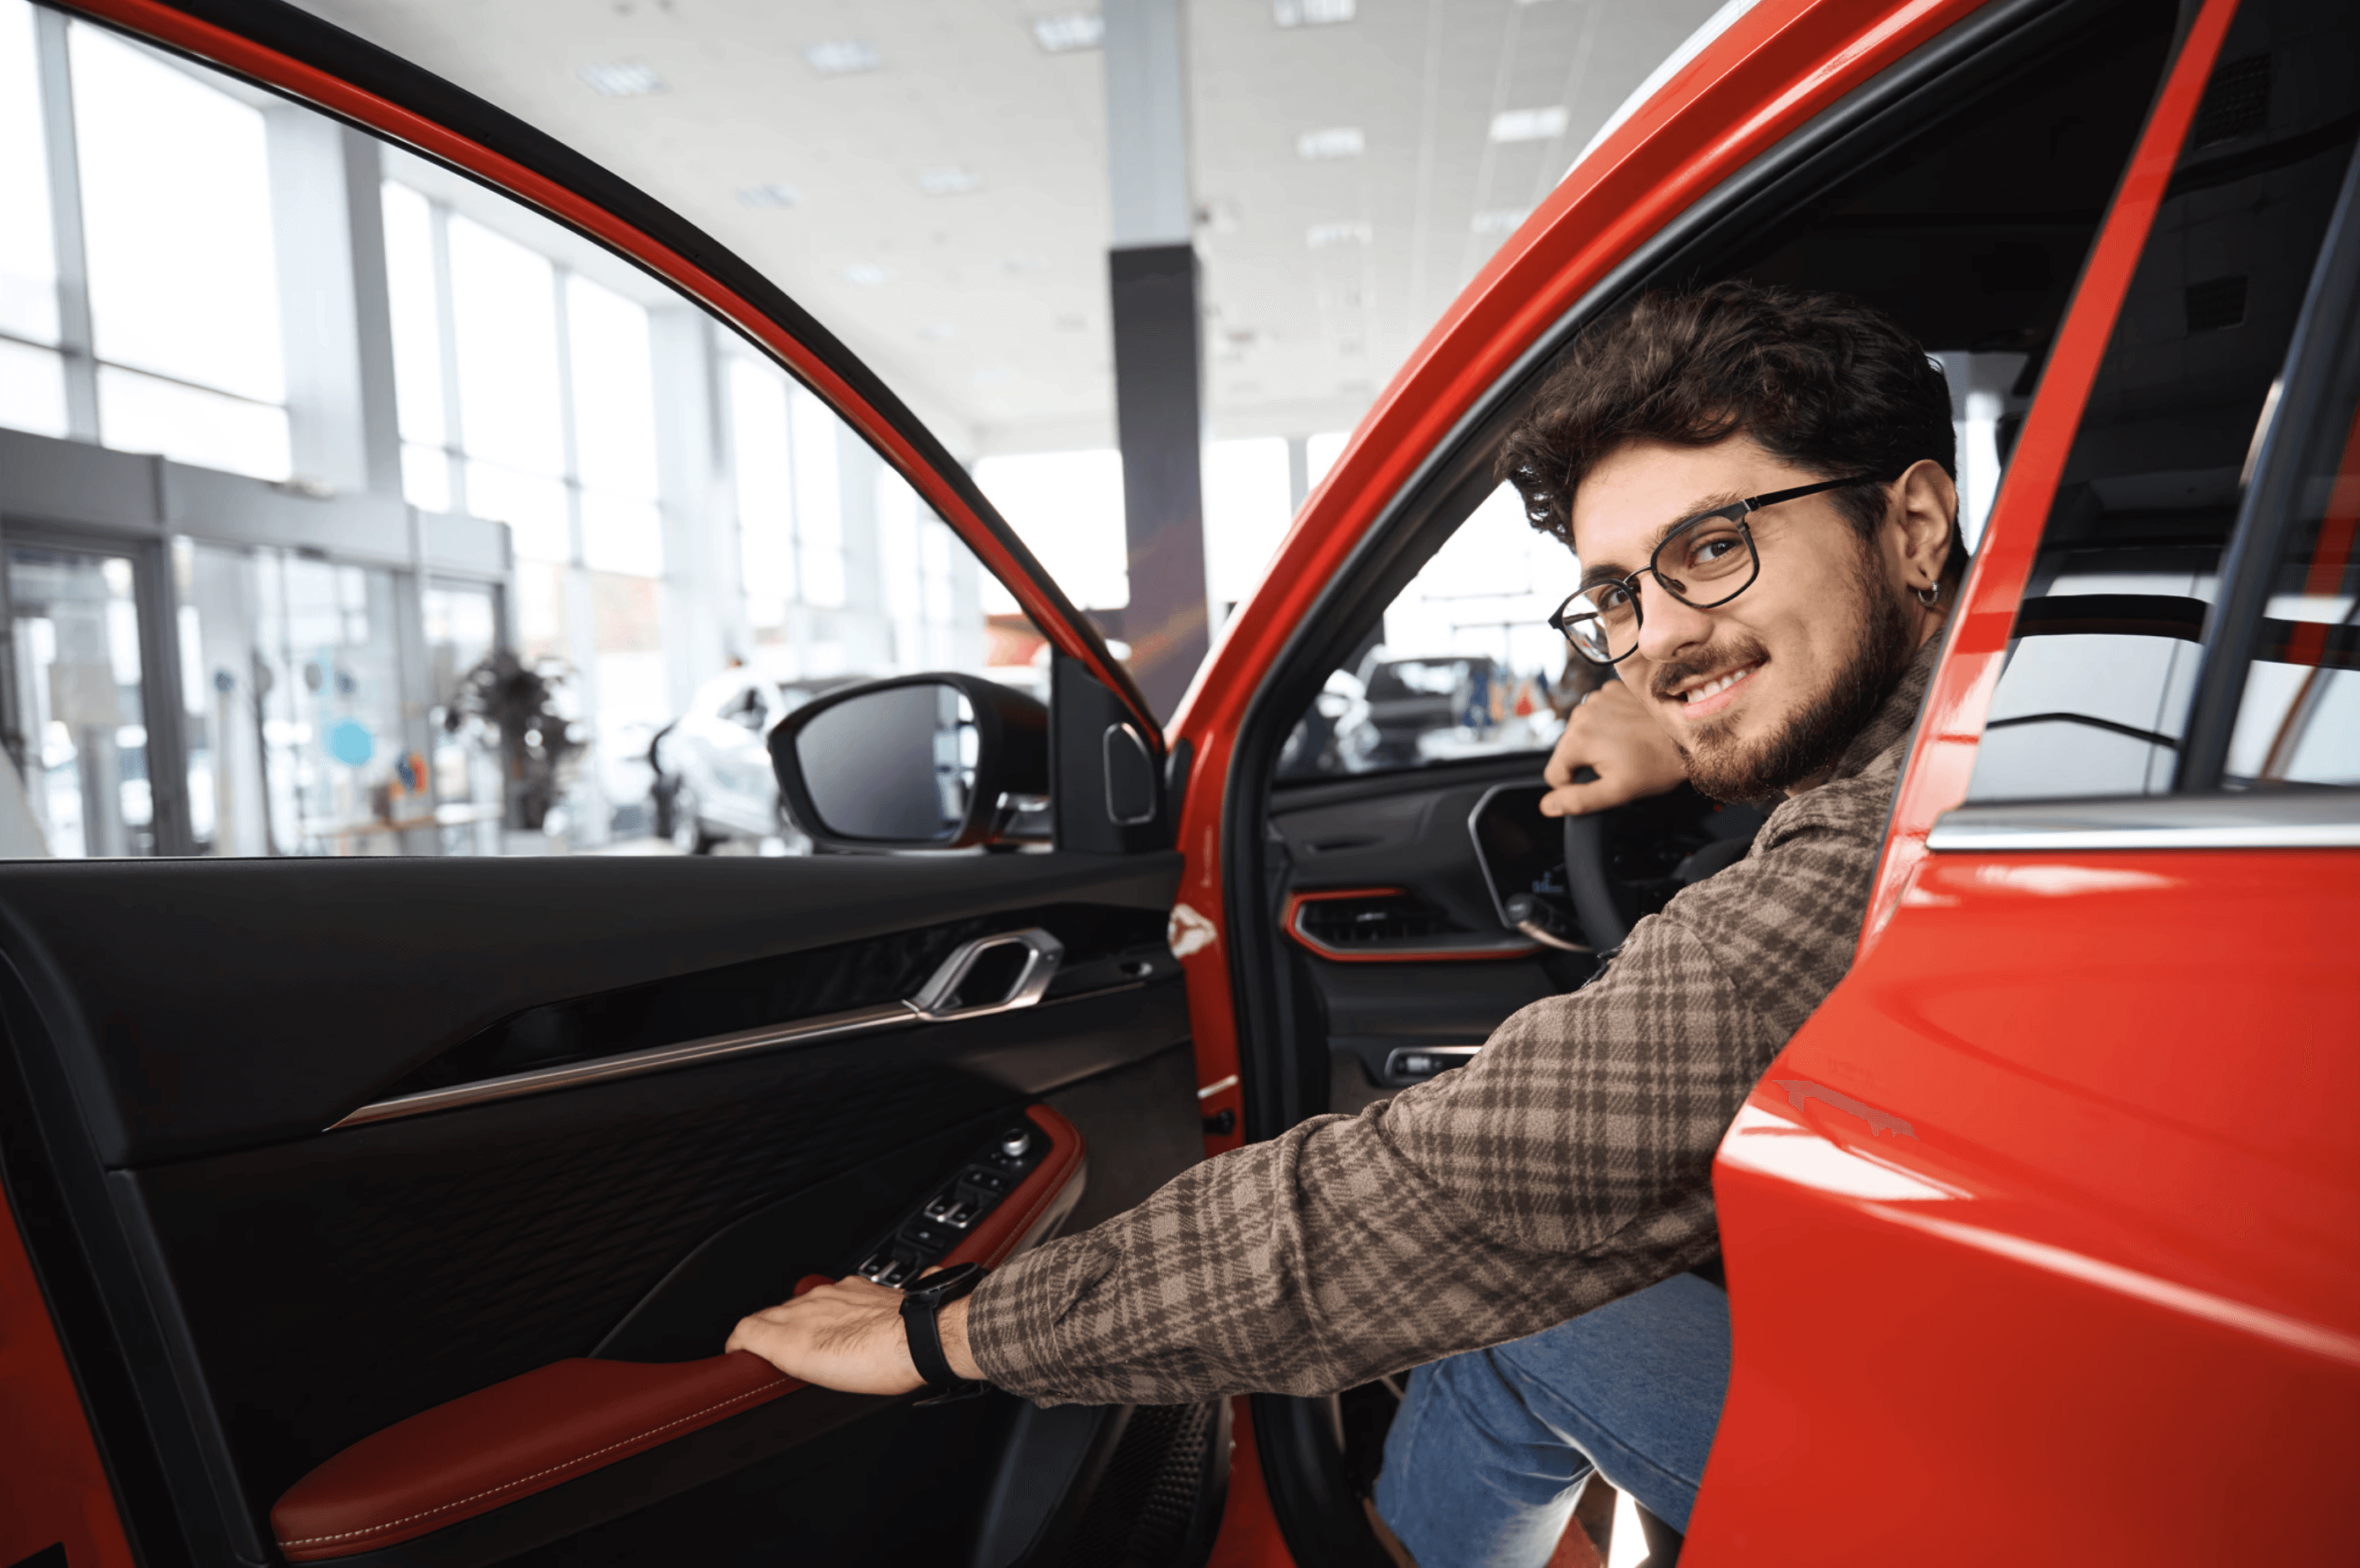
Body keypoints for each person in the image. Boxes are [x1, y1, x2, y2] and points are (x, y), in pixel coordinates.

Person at [726, 280, 1968, 1564]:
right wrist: (1697, 702)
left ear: (1913, 523)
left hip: (2013, 1490)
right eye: (1616, 598)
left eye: (1713, 548)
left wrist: (947, 1332)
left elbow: (1448, 1193)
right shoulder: (2001, 729)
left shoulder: (1884, 846)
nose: (1654, 639)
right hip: (2007, 1362)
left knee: (1503, 1299)